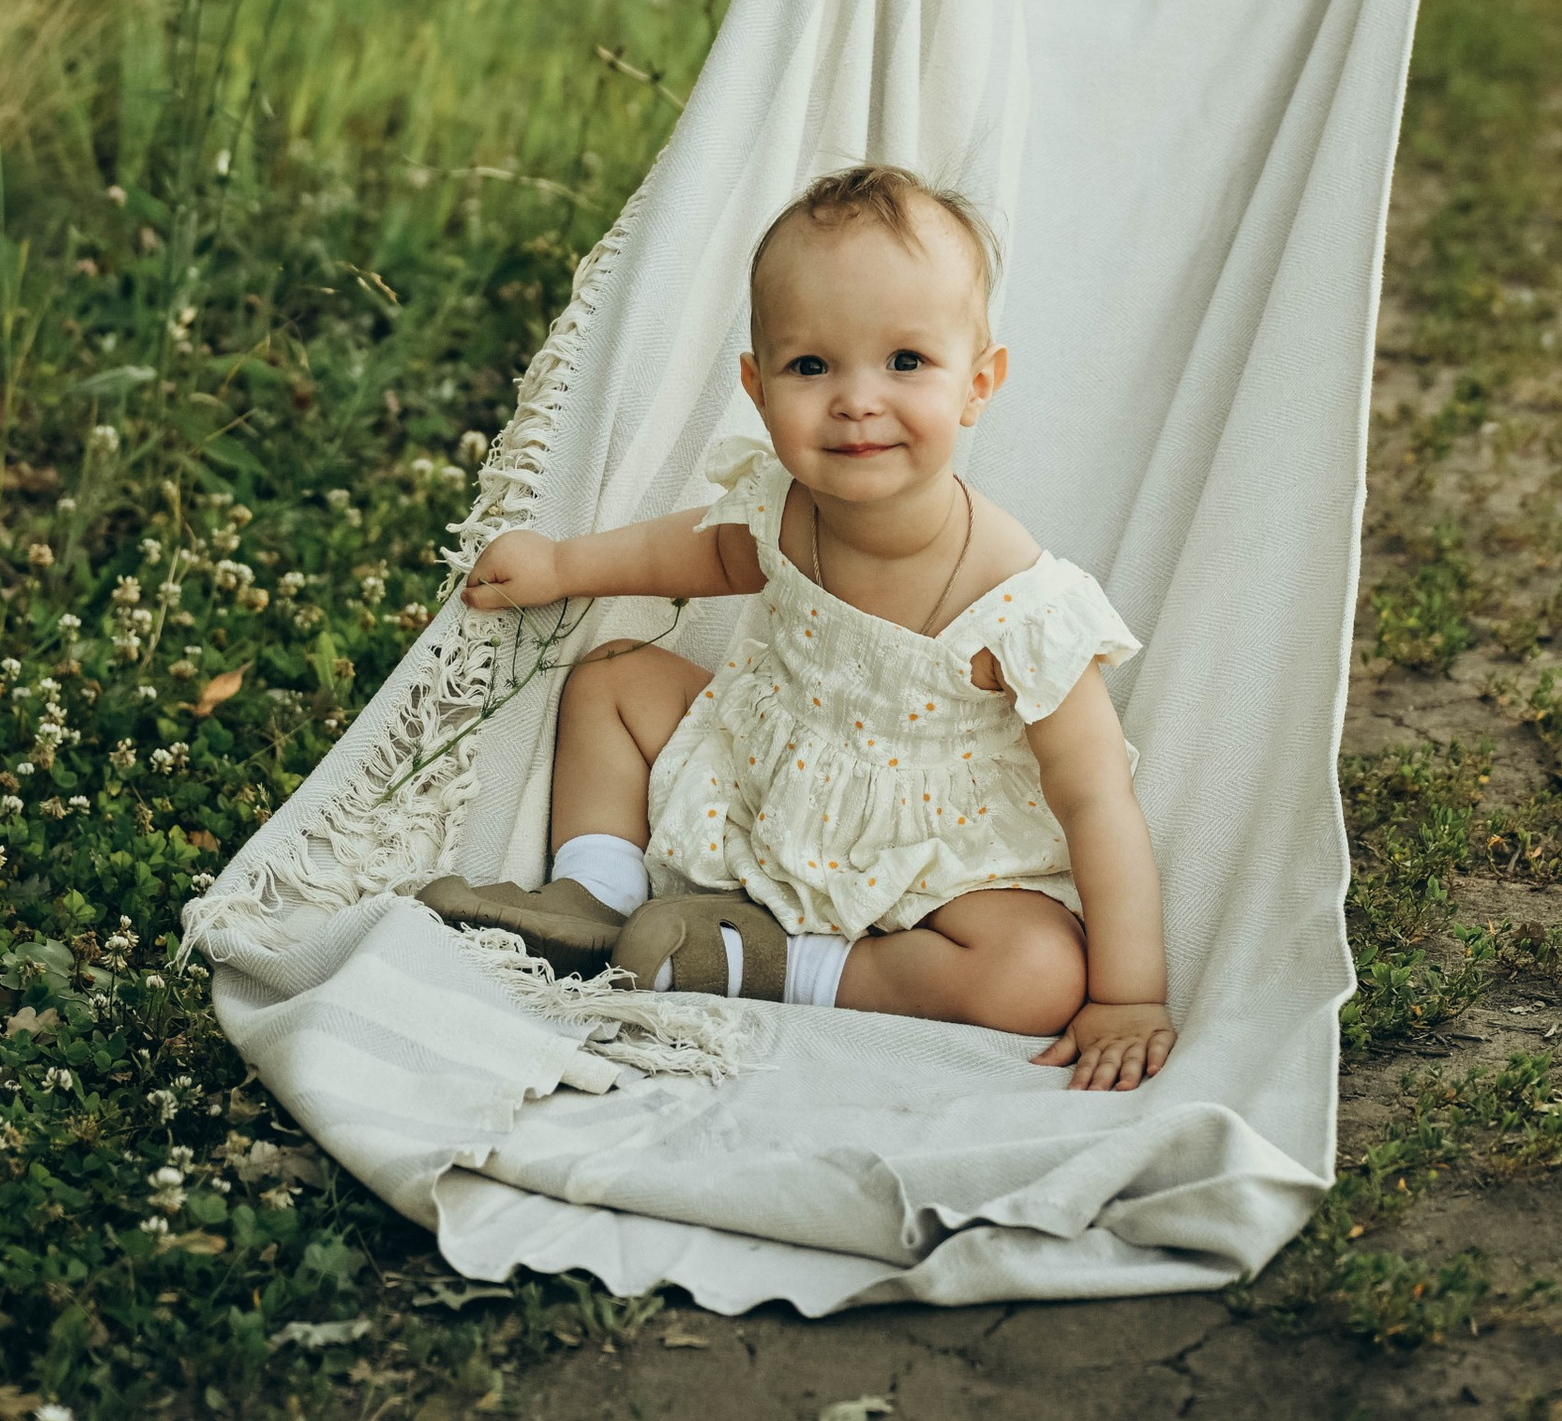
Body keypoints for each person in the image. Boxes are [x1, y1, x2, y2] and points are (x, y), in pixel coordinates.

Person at [426, 164, 1176, 1095]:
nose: (857, 399)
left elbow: (1097, 798)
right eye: (811, 366)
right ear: (757, 385)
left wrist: (1130, 995)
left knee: (1038, 972)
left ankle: (785, 969)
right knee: (613, 677)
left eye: (906, 362)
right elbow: (693, 554)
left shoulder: (1019, 603)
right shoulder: (783, 507)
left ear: (979, 384)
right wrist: (562, 566)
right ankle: (598, 899)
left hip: (932, 864)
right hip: (762, 778)